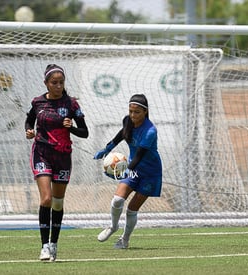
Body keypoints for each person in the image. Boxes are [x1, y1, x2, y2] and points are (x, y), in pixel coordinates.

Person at [25, 64, 89, 261]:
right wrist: (29, 131)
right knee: (46, 199)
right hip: (42, 153)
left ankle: (54, 244)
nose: (58, 86)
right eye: (54, 83)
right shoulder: (37, 103)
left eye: (61, 82)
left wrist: (71, 128)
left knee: (58, 204)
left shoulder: (71, 104)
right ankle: (44, 246)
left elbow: (85, 132)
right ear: (46, 83)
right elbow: (29, 120)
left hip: (62, 156)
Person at [94, 94, 162, 249]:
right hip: (133, 168)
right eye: (130, 111)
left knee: (132, 209)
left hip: (150, 173)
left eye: (136, 112)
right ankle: (113, 226)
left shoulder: (150, 131)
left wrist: (125, 170)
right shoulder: (128, 121)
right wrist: (107, 148)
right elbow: (122, 134)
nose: (132, 115)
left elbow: (139, 156)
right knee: (117, 200)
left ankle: (124, 239)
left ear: (145, 112)